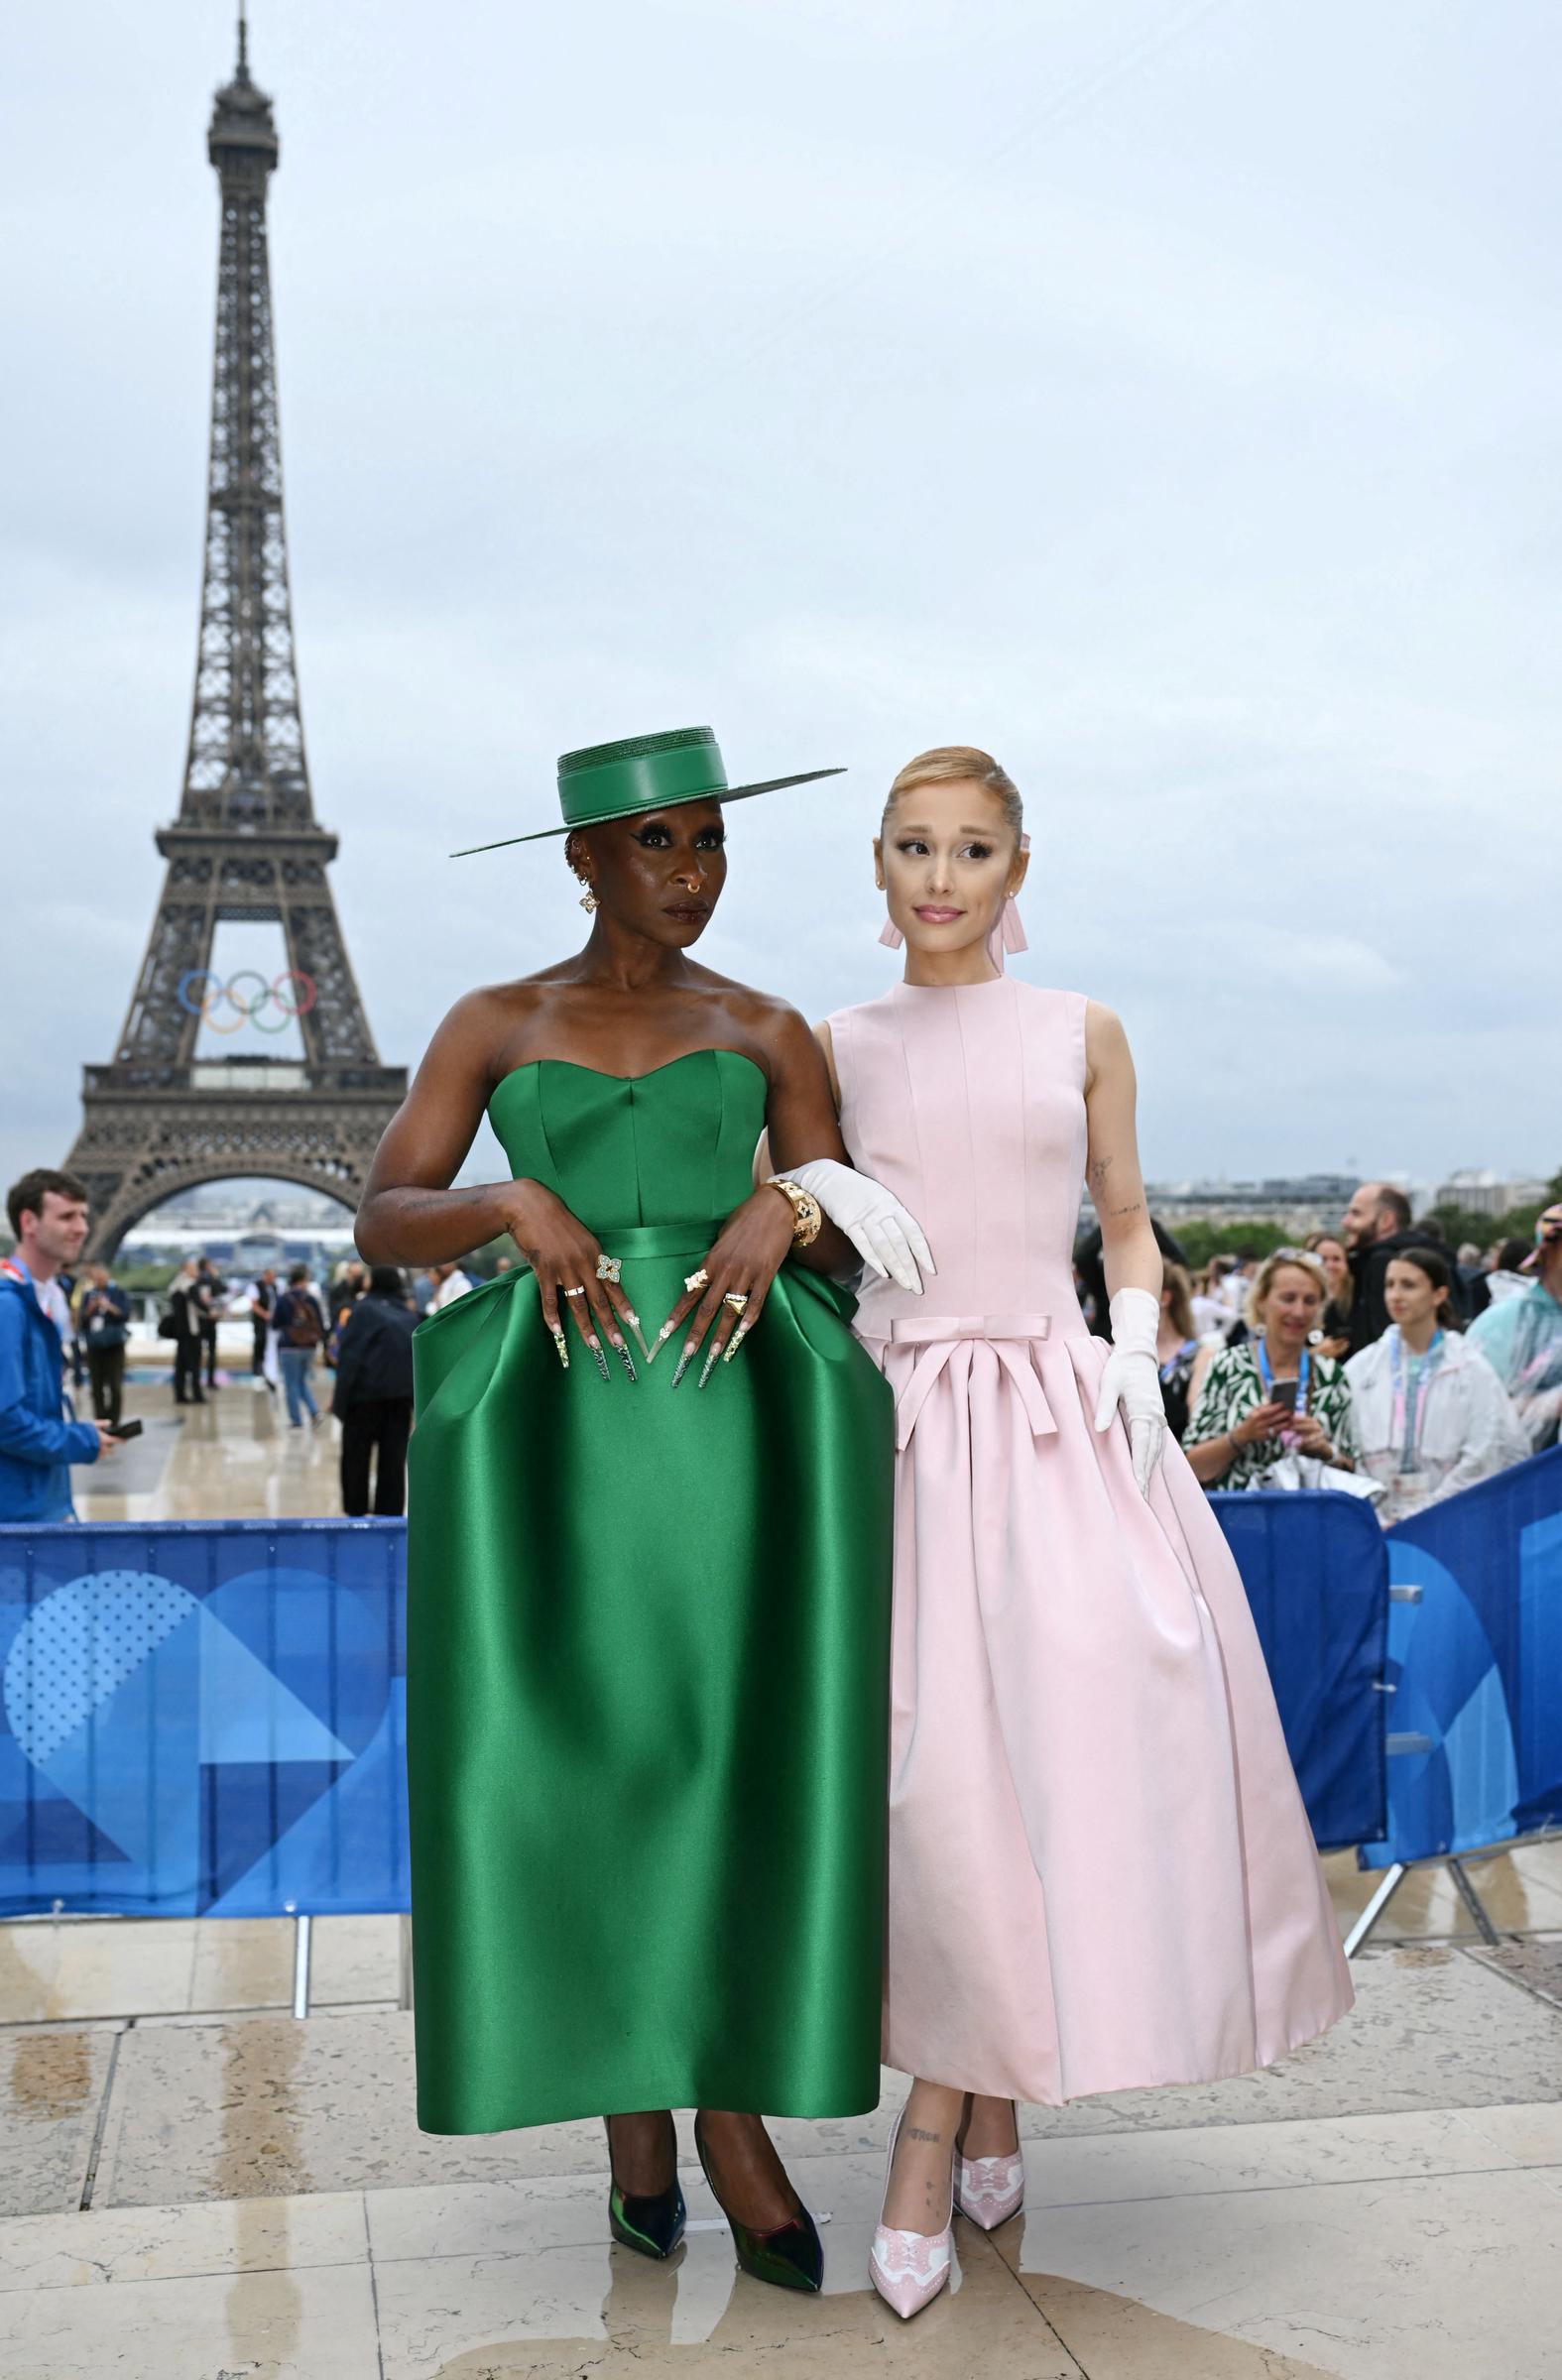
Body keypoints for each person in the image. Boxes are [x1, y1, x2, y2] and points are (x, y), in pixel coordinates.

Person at [356, 723, 925, 2294]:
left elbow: (855, 1235)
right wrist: (506, 1200)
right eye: (658, 844)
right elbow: (383, 1219)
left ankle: (728, 2122)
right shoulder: (491, 1019)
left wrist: (787, 1201)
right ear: (582, 859)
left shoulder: (765, 1026)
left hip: (733, 1439)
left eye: (708, 843)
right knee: (585, 1761)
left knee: (720, 1761)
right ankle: (632, 2117)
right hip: (554, 1439)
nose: (690, 873)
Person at [816, 746, 1351, 2320]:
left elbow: (1124, 1214)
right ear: (875, 862)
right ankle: (968, 2095)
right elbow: (777, 1207)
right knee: (929, 1783)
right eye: (911, 846)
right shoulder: (830, 1044)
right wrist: (812, 1177)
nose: (937, 877)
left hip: (1059, 1414)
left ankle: (943, 2115)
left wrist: (1129, 1354)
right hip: (900, 1423)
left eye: (969, 850)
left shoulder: (1084, 1029)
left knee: (1056, 1752)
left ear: (1016, 870)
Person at [1346, 1247, 1527, 1524]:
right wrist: (1376, 1514)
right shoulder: (1363, 1367)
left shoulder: (1470, 1368)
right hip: (1375, 1523)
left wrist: (1427, 1515)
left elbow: (1485, 1452)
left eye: (1409, 1285)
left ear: (1439, 1294)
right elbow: (1348, 1448)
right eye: (1390, 1285)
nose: (1395, 1295)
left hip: (1451, 1524)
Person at [1185, 1248, 1359, 1491]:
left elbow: (1353, 1472)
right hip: (1241, 1521)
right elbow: (1192, 1468)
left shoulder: (1332, 1377)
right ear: (1261, 1300)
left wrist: (1325, 1450)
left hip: (1311, 1521)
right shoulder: (1228, 1367)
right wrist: (1242, 1436)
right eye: (1288, 1298)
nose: (1298, 1311)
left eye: (1309, 1301)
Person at [1, 1169, 116, 1521]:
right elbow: (5, 1420)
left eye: (83, 1215)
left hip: (40, 1505)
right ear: (29, 1221)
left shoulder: (46, 1299)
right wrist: (80, 1440)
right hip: (17, 1516)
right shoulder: (8, 1306)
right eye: (67, 1216)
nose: (81, 1228)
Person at [1468, 1204, 1562, 1453]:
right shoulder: (1504, 1321)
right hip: (1528, 1477)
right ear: (1550, 1251)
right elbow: (1470, 1410)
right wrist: (1548, 1404)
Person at [332, 1263, 418, 1516]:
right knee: (392, 1462)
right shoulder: (409, 1315)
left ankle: (355, 1512)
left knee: (356, 1459)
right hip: (399, 1400)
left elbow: (350, 1358)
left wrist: (340, 1403)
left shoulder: (362, 1311)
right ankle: (388, 1515)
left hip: (363, 1399)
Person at [1340, 1181, 1441, 1356]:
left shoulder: (1384, 1263)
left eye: (1356, 1213)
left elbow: (1381, 1334)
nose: (1345, 1222)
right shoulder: (1429, 1256)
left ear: (1386, 1220)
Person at [271, 1262, 326, 1430]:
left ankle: (296, 1420)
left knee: (291, 1384)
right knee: (301, 1381)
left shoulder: (284, 1299)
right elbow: (321, 1324)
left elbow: (275, 1323)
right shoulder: (311, 1299)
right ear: (304, 1279)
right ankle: (315, 1412)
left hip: (289, 1347)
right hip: (309, 1346)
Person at [79, 1261, 132, 1431]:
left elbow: (124, 1315)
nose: (98, 1281)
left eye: (101, 1277)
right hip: (95, 1344)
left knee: (115, 1385)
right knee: (97, 1385)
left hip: (114, 1343)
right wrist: (91, 1308)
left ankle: (114, 1420)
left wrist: (108, 1306)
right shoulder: (89, 1294)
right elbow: (82, 1320)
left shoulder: (118, 1293)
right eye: (95, 1278)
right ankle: (101, 1419)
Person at [1155, 1261, 1201, 1442]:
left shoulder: (1200, 1354)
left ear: (1164, 1298)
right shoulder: (1115, 1351)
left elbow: (1196, 1415)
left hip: (1180, 1461)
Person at [166, 1257, 209, 1406]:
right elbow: (200, 1306)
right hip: (191, 1330)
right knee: (194, 1364)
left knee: (181, 1365)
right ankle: (197, 1394)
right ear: (187, 1270)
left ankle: (180, 1394)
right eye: (194, 1269)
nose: (197, 1272)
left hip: (179, 1331)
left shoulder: (175, 1285)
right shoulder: (190, 1286)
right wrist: (211, 1311)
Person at [1305, 1231, 1354, 1360]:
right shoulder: (1300, 1304)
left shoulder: (1357, 1302)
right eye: (1323, 1259)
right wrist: (1315, 1353)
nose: (1329, 1265)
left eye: (1336, 1259)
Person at [196, 1255, 225, 1388]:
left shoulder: (196, 1279)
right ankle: (210, 1380)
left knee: (198, 1351)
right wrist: (216, 1276)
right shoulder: (208, 1278)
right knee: (211, 1351)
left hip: (201, 1319)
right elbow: (223, 1288)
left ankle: (198, 1380)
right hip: (208, 1318)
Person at [249, 1267, 278, 1380]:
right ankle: (257, 1368)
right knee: (259, 1343)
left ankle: (268, 1368)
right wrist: (265, 1315)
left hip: (272, 1321)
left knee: (270, 1345)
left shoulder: (274, 1287)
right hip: (260, 1321)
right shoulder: (255, 1286)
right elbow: (254, 1305)